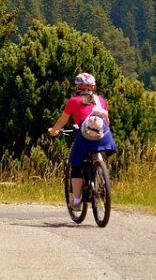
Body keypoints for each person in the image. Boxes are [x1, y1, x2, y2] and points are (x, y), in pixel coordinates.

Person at [48, 72, 116, 210]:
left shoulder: (73, 101)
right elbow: (107, 121)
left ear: (78, 87)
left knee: (76, 163)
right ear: (93, 87)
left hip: (85, 136)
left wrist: (54, 130)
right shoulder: (101, 100)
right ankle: (101, 175)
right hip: (104, 135)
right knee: (96, 151)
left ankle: (77, 200)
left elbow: (62, 121)